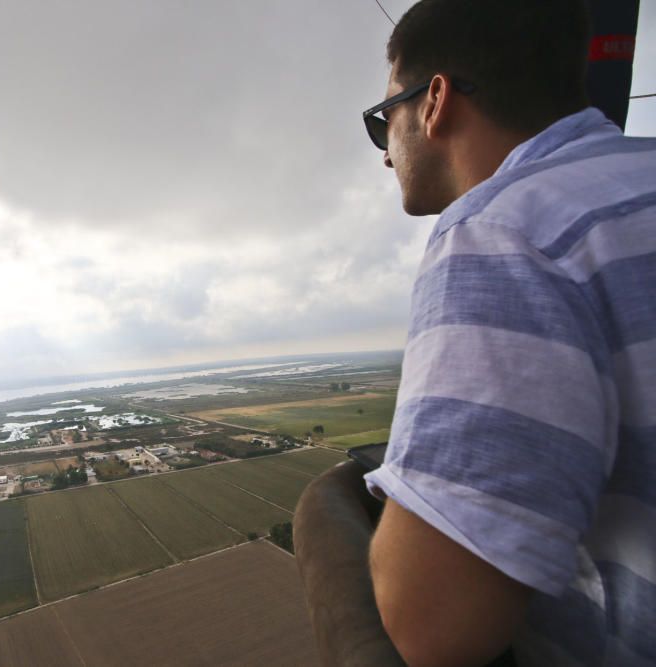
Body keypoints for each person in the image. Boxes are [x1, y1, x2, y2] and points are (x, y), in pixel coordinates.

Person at [295, 1, 656, 665]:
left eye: (383, 125)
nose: (384, 156)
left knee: (322, 514)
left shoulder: (500, 231)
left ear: (433, 102)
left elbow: (434, 625)